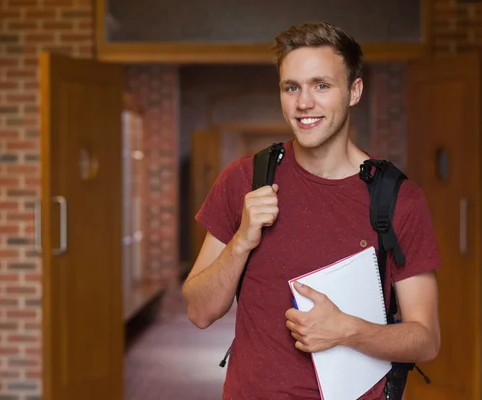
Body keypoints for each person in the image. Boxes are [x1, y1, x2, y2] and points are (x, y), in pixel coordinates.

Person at [182, 21, 441, 399]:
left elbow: (426, 339)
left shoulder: (398, 198)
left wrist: (347, 330)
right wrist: (242, 241)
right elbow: (199, 312)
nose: (304, 103)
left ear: (354, 91)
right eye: (292, 87)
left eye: (322, 85)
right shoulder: (244, 179)